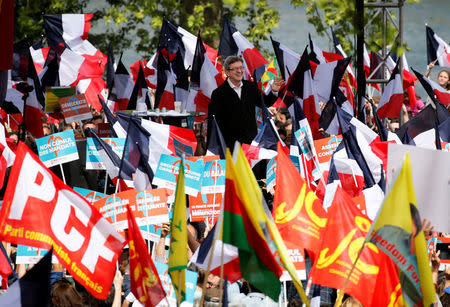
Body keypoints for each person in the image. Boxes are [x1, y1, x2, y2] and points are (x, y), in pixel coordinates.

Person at [208, 56, 284, 151]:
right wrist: (212, 148)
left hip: (251, 144)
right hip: (230, 147)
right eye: (235, 69)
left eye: (241, 68)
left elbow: (265, 103)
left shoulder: (250, 87)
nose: (240, 71)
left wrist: (274, 91)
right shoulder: (218, 93)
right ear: (227, 72)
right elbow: (213, 122)